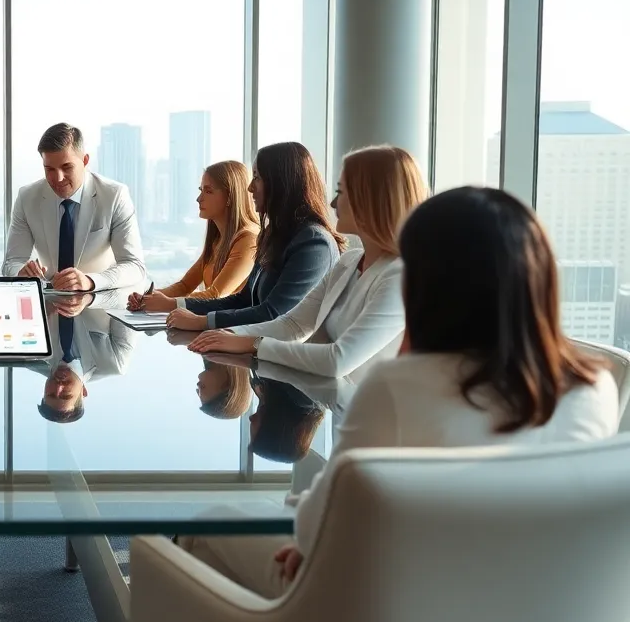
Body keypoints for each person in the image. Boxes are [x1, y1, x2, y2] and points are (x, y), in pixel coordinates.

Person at [178, 187, 620, 599]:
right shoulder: (596, 386)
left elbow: (317, 526)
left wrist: (308, 527)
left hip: (395, 601)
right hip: (545, 605)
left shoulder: (398, 388)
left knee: (201, 531)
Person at [187, 145, 428, 377]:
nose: (333, 203)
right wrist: (228, 334)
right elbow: (292, 324)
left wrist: (251, 343)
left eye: (340, 192)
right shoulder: (350, 262)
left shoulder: (399, 277)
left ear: (370, 200)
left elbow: (337, 361)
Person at [166, 141, 342, 331]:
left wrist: (201, 321)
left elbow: (273, 313)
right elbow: (244, 300)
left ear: (280, 182)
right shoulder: (272, 236)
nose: (249, 188)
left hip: (293, 356)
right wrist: (179, 307)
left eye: (257, 178)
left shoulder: (314, 242)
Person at [4, 123, 147, 292]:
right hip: (50, 303)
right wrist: (21, 273)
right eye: (49, 169)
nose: (58, 178)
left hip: (99, 303)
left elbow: (134, 266)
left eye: (67, 167)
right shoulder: (27, 197)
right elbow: (11, 263)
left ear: (85, 161)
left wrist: (90, 281)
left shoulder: (114, 195)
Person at [130, 161, 259, 311]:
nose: (199, 199)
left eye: (208, 191)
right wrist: (147, 298)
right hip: (215, 326)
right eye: (201, 190)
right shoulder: (218, 239)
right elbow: (184, 286)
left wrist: (165, 303)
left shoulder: (248, 239)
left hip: (235, 330)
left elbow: (216, 295)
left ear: (230, 197)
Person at [35, 290, 137, 423]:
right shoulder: (115, 363)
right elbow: (127, 301)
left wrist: (38, 311)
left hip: (47, 277)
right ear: (83, 392)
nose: (58, 387)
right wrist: (90, 299)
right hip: (97, 277)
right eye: (66, 395)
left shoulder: (32, 356)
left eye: (51, 394)